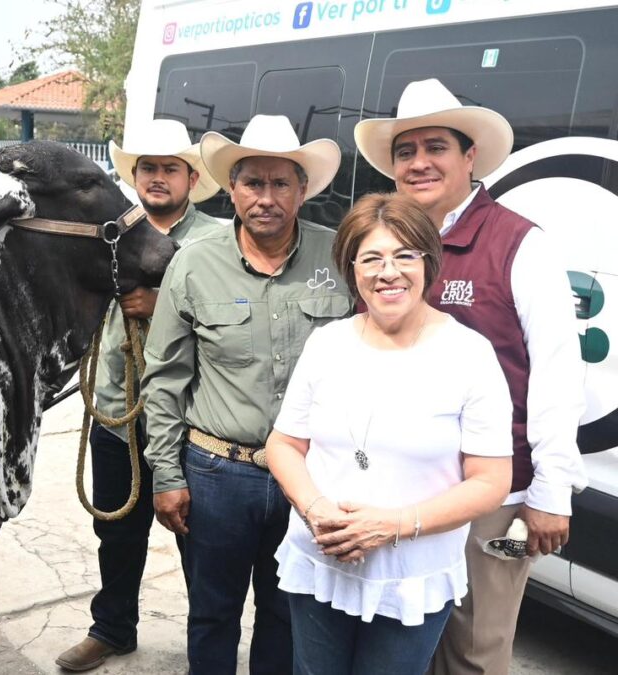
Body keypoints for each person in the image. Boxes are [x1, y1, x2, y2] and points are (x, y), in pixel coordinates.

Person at [354, 78, 588, 675]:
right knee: (405, 646)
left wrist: (550, 493)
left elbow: (558, 376)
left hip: (500, 505)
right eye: (405, 152)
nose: (419, 162)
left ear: (469, 157)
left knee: (477, 651)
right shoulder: (390, 247)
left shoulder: (519, 245)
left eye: (436, 147)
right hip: (406, 495)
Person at [265, 192, 514, 675]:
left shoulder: (470, 354)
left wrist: (393, 524)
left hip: (411, 576)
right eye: (371, 258)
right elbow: (285, 443)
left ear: (429, 262)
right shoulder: (327, 343)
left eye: (404, 255)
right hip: (320, 562)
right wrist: (316, 511)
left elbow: (490, 481)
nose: (389, 272)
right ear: (351, 267)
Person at [141, 115, 351, 674]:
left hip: (309, 475)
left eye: (280, 183)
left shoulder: (341, 259)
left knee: (288, 613)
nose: (266, 198)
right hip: (216, 475)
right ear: (231, 190)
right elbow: (163, 378)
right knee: (212, 615)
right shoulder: (193, 264)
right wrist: (167, 475)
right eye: (252, 183)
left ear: (303, 190)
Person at [55, 118, 222, 672]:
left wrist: (162, 306)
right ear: (134, 176)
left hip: (188, 416)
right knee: (116, 531)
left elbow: (226, 320)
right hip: (116, 410)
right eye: (147, 168)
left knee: (195, 541)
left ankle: (209, 642)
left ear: (190, 178)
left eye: (169, 168)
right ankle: (112, 628)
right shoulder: (108, 236)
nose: (157, 178)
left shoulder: (216, 240)